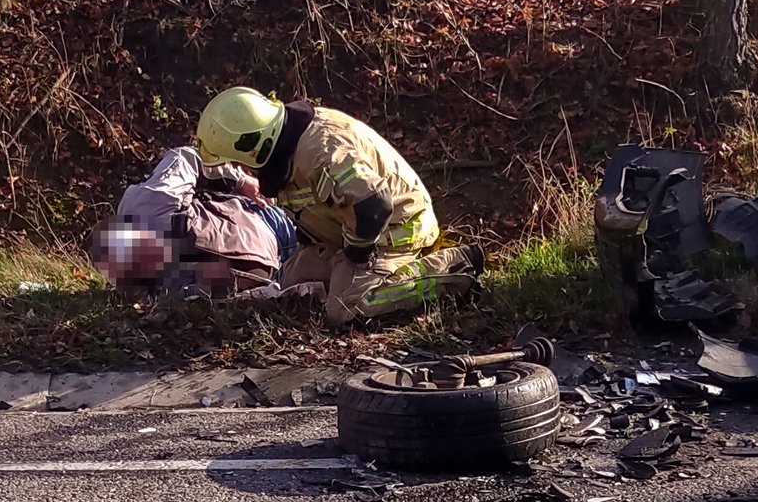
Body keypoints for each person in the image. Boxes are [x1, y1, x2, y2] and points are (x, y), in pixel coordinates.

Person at [194, 88, 482, 325]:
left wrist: (355, 255)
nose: (239, 168)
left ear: (254, 146)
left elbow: (374, 206)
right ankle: (347, 277)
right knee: (291, 286)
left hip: (392, 229)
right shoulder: (287, 146)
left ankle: (455, 269)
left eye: (236, 160)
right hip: (347, 230)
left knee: (345, 308)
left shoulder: (323, 152)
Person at [92, 145, 298, 300]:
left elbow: (188, 157)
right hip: (279, 272)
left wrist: (241, 181)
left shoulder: (148, 205)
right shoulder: (152, 290)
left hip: (266, 219)